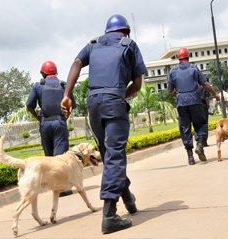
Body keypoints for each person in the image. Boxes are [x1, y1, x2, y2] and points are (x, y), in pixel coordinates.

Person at [60, 14, 147, 234]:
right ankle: (109, 215)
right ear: (125, 31)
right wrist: (121, 96)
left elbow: (76, 63)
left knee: (110, 155)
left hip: (93, 106)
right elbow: (137, 83)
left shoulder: (92, 44)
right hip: (114, 103)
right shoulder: (129, 44)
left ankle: (128, 199)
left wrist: (67, 94)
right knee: (115, 156)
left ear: (107, 31)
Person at [26, 61, 77, 197]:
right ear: (56, 73)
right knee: (60, 157)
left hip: (45, 124)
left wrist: (37, 117)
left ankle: (54, 186)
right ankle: (61, 188)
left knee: (49, 158)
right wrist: (65, 117)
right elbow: (71, 106)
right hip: (59, 123)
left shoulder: (38, 86)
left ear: (43, 73)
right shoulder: (63, 85)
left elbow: (29, 105)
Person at [168, 48, 220, 165]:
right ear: (188, 57)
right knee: (201, 123)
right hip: (195, 100)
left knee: (184, 128)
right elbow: (205, 83)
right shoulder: (194, 68)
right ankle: (200, 145)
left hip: (181, 102)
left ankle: (190, 157)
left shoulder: (173, 71)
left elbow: (170, 90)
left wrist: (178, 94)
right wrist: (215, 93)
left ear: (178, 58)